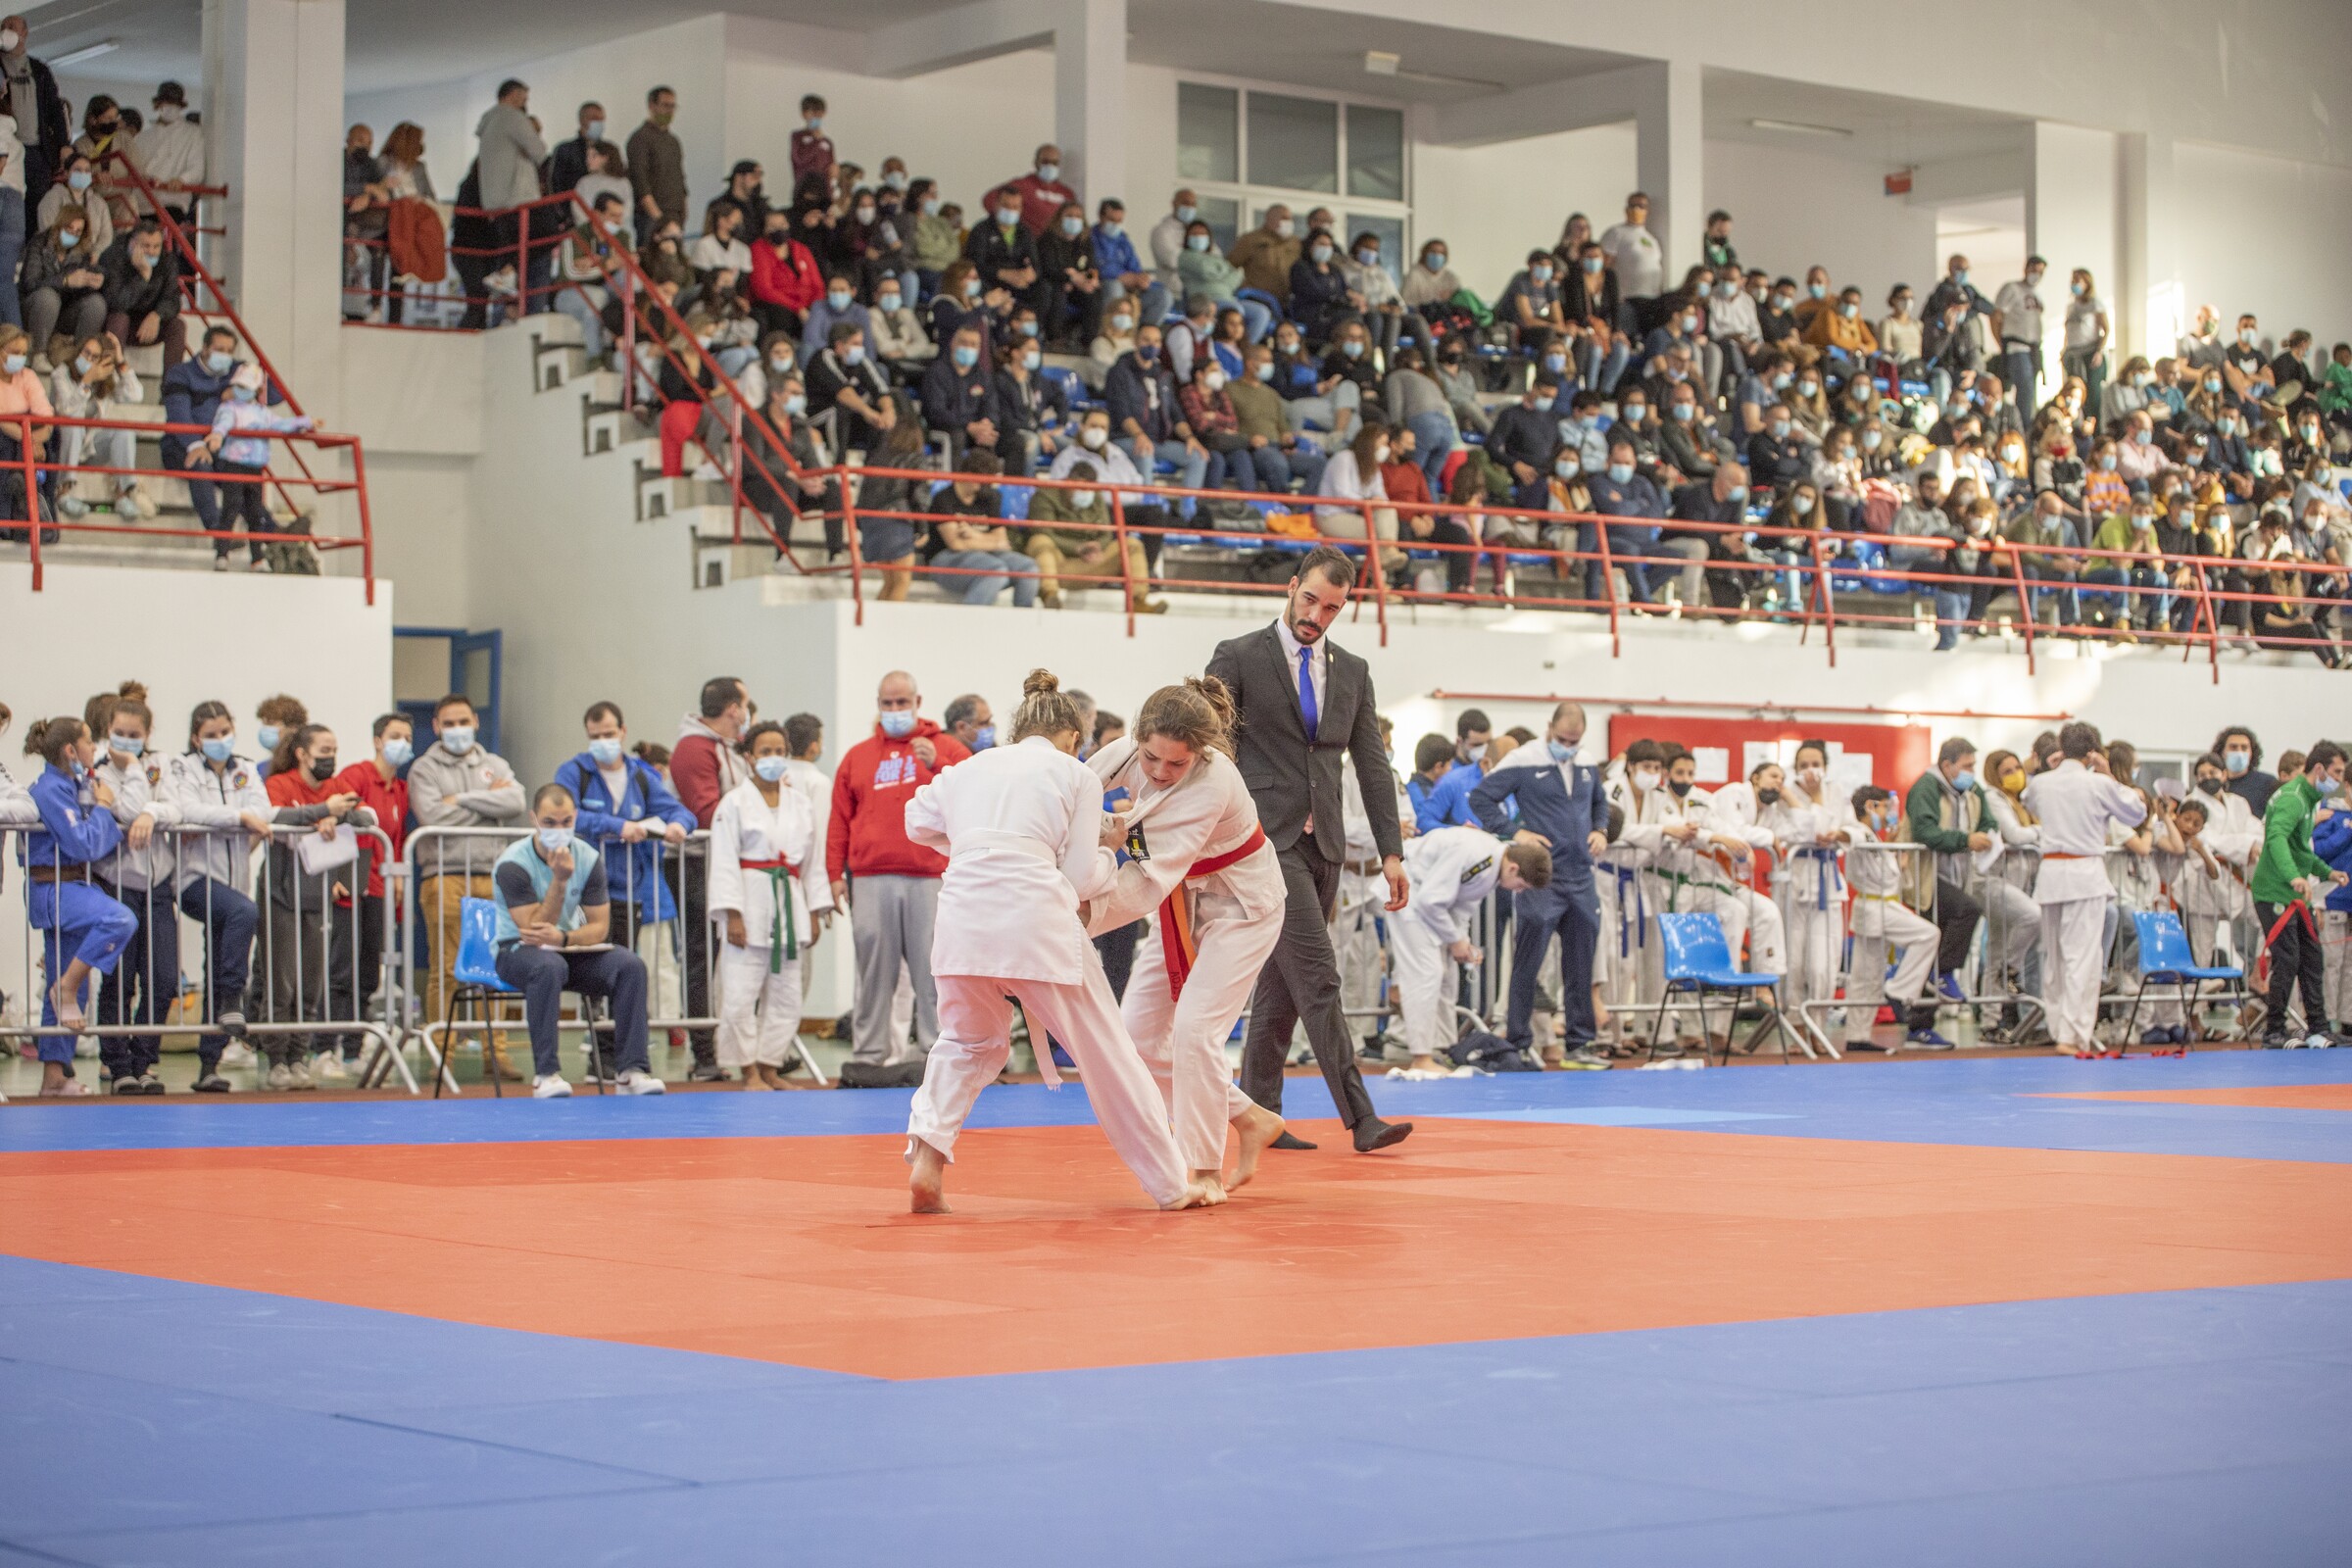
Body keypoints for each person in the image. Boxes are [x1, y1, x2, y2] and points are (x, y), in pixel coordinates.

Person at [900, 670, 1214, 1213]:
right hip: (1033, 916)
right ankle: (1170, 1184)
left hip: (961, 917)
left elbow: (914, 823)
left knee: (968, 1042)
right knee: (1107, 1052)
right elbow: (1077, 879)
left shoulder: (966, 768)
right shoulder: (1075, 775)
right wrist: (1108, 849)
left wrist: (977, 844)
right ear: (1075, 737)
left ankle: (927, 1156)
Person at [1206, 546, 1411, 1152]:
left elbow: (1372, 764)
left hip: (1326, 844)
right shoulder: (1238, 655)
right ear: (1292, 587)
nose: (1317, 615)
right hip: (1261, 842)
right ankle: (1362, 1118)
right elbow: (1212, 747)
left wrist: (1391, 851)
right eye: (1310, 600)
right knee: (1319, 976)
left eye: (1332, 608)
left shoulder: (1352, 670)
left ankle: (1260, 1115)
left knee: (1281, 985)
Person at [1081, 678, 1293, 1195]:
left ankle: (1203, 1169)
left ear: (1199, 754)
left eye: (1176, 764)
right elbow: (1076, 790)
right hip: (1184, 900)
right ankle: (1248, 1117)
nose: (1159, 772)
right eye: (1152, 758)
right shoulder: (1130, 748)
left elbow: (1148, 875)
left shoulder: (1213, 782)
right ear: (1139, 737)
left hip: (1242, 906)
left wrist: (1075, 917)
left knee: (1197, 1030)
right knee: (1136, 1035)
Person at [828, 672, 972, 1082]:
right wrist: (833, 873)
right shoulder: (858, 756)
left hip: (930, 875)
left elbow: (975, 793)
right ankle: (869, 1054)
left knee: (934, 967)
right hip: (871, 876)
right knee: (873, 968)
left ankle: (937, 1048)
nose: (894, 711)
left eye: (901, 703)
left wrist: (937, 765)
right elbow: (840, 818)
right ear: (878, 704)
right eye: (887, 704)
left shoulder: (948, 749)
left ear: (917, 701)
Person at [492, 785, 665, 1098]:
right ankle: (546, 1074)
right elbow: (533, 927)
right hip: (516, 950)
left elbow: (599, 928)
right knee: (547, 966)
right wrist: (559, 881)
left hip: (566, 947)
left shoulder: (587, 857)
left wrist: (566, 937)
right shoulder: (512, 863)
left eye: (566, 822)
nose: (559, 831)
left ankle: (631, 1071)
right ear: (533, 819)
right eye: (549, 823)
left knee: (629, 965)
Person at [1470, 703, 1607, 1067]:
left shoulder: (1587, 762)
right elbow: (1480, 797)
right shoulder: (1523, 759)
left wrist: (1600, 830)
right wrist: (1515, 832)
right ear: (1549, 728)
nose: (1568, 745)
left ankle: (1580, 1044)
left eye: (1574, 740)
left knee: (1581, 964)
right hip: (1541, 879)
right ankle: (1517, 1041)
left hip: (1580, 876)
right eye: (1562, 739)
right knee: (1527, 962)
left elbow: (1600, 804)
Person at [707, 718, 832, 1089]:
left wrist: (814, 911)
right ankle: (746, 1069)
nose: (774, 758)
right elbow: (725, 862)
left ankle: (769, 1066)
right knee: (739, 995)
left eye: (780, 751)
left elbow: (812, 862)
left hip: (789, 901)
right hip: (748, 899)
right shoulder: (733, 804)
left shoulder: (800, 803)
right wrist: (732, 915)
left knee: (788, 994)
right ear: (749, 757)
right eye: (765, 751)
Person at [408, 694, 526, 1080]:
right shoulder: (424, 769)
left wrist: (462, 799)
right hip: (444, 874)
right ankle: (443, 1056)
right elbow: (433, 813)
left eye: (464, 721)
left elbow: (516, 801)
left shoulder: (494, 764)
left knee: (497, 965)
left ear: (475, 722)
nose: (457, 729)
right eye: (449, 723)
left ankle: (498, 1053)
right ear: (437, 727)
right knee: (446, 968)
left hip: (491, 874)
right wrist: (489, 801)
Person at [18, 714, 134, 1093]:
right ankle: (66, 987)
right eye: (88, 742)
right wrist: (102, 808)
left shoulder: (79, 783)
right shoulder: (49, 790)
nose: (95, 749)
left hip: (74, 888)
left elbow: (100, 838)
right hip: (53, 889)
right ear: (71, 750)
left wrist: (98, 805)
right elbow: (83, 843)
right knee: (120, 919)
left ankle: (54, 1075)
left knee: (70, 983)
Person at [554, 702, 693, 1017]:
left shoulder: (640, 775)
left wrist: (677, 825)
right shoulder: (574, 772)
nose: (603, 741)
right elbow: (566, 814)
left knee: (629, 970)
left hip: (632, 891)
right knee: (595, 972)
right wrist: (617, 827)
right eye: (595, 735)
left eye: (609, 733)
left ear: (623, 731)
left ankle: (628, 1047)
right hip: (590, 891)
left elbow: (677, 810)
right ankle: (596, 1049)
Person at [256, 723, 372, 1089]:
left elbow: (368, 818)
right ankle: (276, 1059)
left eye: (334, 750)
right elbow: (272, 815)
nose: (330, 757)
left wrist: (335, 816)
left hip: (318, 892)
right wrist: (319, 810)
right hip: (281, 891)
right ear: (302, 754)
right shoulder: (281, 783)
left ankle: (299, 1057)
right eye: (323, 750)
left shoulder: (338, 788)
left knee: (312, 981)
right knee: (281, 979)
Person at [2018, 722, 2144, 1057]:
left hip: (2052, 875)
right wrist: (2108, 774)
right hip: (2084, 873)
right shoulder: (2099, 784)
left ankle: (2060, 1027)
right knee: (2082, 958)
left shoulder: (2042, 783)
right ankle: (2073, 1034)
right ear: (2092, 752)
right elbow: (2136, 812)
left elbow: (2027, 799)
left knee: (2054, 957)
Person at [165, 701, 271, 1091]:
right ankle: (233, 999)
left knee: (217, 963)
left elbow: (264, 808)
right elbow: (188, 809)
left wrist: (244, 815)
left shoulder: (245, 769)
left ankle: (209, 1065)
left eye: (225, 732)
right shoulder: (183, 768)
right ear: (196, 738)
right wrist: (238, 818)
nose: (220, 740)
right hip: (196, 880)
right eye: (211, 735)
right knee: (246, 912)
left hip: (234, 880)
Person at [2252, 743, 2348, 1050]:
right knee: (2288, 959)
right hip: (2275, 892)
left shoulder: (2308, 799)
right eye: (2336, 772)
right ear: (2319, 769)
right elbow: (2277, 838)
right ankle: (2274, 1030)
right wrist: (2294, 876)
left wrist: (2326, 872)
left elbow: (2301, 849)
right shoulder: (2294, 798)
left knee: (2312, 958)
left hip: (2296, 895)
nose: (2338, 779)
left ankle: (2319, 1028)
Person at [1903, 737, 1995, 1017]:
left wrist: (1986, 834)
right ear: (1947, 765)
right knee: (1968, 910)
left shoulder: (1971, 789)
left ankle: (1921, 1027)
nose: (1971, 772)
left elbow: (1989, 821)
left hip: (1957, 874)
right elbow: (1925, 832)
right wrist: (1966, 840)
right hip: (1928, 876)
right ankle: (1943, 973)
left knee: (1933, 947)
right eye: (1967, 766)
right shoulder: (1926, 788)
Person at [199, 364, 314, 570]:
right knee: (230, 509)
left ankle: (257, 558)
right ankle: (222, 554)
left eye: (247, 386)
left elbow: (281, 424)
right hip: (234, 464)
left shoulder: (262, 413)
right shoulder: (229, 408)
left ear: (257, 390)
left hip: (255, 467)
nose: (242, 390)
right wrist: (217, 435)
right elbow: (223, 423)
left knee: (255, 513)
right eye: (239, 386)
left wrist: (304, 422)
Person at [1024, 459, 1161, 612]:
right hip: (1058, 563)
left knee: (1131, 545)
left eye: (1090, 489)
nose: (1087, 493)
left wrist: (1097, 547)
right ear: (1069, 481)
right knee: (1039, 541)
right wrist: (1077, 548)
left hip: (1091, 562)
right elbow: (1043, 531)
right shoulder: (1045, 496)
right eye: (1082, 488)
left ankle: (1138, 602)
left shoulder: (1096, 497)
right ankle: (1049, 595)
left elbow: (1106, 532)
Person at [100, 220, 183, 369]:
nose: (151, 251)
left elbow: (173, 300)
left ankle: (173, 387)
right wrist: (143, 277)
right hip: (115, 322)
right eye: (146, 246)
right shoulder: (113, 257)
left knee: (177, 325)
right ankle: (109, 380)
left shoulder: (167, 261)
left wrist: (157, 315)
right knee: (120, 319)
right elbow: (117, 303)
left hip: (147, 325)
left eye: (156, 246)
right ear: (132, 244)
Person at [21, 204, 105, 352]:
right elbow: (30, 283)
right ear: (59, 226)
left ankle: (81, 356)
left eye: (78, 232)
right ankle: (38, 353)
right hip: (35, 308)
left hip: (64, 312)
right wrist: (65, 281)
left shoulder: (83, 251)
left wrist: (92, 281)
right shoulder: (39, 243)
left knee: (96, 303)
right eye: (69, 229)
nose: (72, 235)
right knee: (48, 297)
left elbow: (80, 292)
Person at [627, 86, 686, 231]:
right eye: (665, 105)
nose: (670, 111)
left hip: (676, 215)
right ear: (651, 106)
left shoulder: (673, 141)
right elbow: (641, 183)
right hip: (651, 218)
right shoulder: (640, 139)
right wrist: (660, 220)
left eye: (673, 106)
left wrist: (683, 212)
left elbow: (680, 178)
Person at [2216, 725, 2277, 814]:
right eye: (2233, 747)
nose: (2239, 752)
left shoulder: (2268, 783)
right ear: (2222, 752)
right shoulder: (2216, 784)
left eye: (2244, 748)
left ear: (2252, 752)